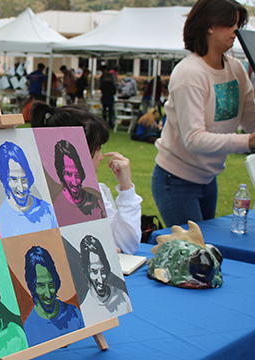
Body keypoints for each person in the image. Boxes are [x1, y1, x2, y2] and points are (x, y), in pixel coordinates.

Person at [152, 0, 255, 228]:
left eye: (238, 25)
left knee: (207, 251)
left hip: (208, 179)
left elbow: (251, 120)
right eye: (230, 24)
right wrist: (247, 142)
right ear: (209, 25)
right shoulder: (190, 74)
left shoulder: (236, 69)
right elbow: (194, 139)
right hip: (176, 181)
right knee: (195, 253)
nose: (235, 32)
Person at [31, 103, 142, 255]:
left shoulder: (91, 195)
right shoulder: (38, 200)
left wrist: (126, 187)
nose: (101, 157)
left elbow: (126, 244)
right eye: (97, 149)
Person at [23, 246, 84, 347]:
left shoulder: (74, 313)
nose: (48, 294)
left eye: (51, 285)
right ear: (32, 287)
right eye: (41, 286)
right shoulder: (29, 329)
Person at [0, 141, 57, 238]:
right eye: (14, 179)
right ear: (5, 180)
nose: (21, 188)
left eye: (24, 179)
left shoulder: (47, 210)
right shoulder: (0, 219)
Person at [52, 139, 106, 226]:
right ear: (61, 175)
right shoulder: (57, 207)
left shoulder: (95, 201)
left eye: (77, 174)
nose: (75, 182)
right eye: (68, 174)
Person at [80, 235, 130, 314]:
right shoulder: (85, 310)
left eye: (103, 271)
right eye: (94, 272)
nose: (100, 280)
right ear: (86, 272)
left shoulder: (122, 298)